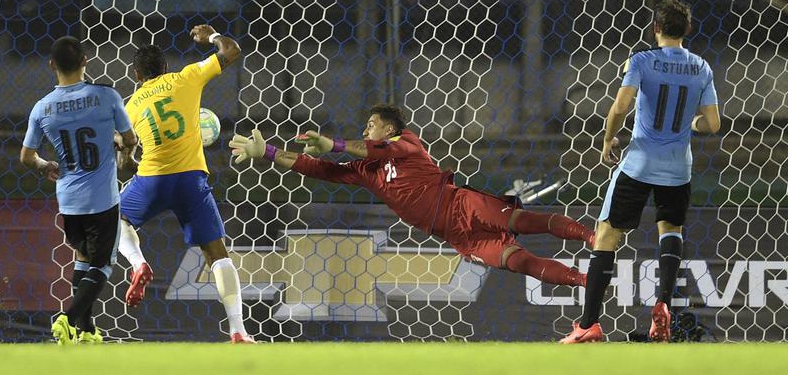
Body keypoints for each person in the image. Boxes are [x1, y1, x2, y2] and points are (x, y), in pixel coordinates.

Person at [230, 104, 594, 288]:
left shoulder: (407, 143)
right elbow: (318, 168)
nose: (365, 130)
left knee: (524, 222)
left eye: (371, 125)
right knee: (519, 262)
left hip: (462, 204)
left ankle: (591, 236)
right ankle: (585, 281)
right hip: (457, 236)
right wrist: (269, 153)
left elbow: (366, 148)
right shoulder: (366, 172)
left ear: (389, 128)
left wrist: (335, 144)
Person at [561, 0, 720, 344]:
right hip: (678, 168)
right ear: (688, 29)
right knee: (671, 230)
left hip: (639, 163)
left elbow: (620, 107)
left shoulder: (641, 61)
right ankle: (662, 307)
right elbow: (713, 123)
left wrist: (607, 139)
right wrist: (690, 123)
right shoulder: (701, 67)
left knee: (607, 235)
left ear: (655, 28)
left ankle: (588, 325)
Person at [114, 24, 254, 343]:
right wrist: (212, 36)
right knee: (217, 254)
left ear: (137, 75)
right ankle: (238, 331)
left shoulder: (130, 106)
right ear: (165, 67)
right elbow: (232, 51)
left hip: (152, 179)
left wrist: (128, 158)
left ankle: (138, 264)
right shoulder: (186, 77)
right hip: (191, 180)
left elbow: (124, 162)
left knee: (113, 218)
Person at [20, 36, 138, 344]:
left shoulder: (42, 108)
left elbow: (27, 156)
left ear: (52, 65)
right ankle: (68, 319)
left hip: (69, 201)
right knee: (102, 264)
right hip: (103, 200)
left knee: (83, 258)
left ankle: (86, 330)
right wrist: (120, 146)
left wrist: (45, 165)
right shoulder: (106, 96)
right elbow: (130, 138)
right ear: (85, 61)